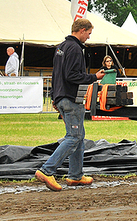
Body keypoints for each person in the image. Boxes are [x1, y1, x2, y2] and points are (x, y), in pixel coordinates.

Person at [35, 18, 105, 191]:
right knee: (73, 137)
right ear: (82, 30)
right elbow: (72, 76)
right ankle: (47, 170)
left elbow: (56, 74)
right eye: (88, 33)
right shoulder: (74, 49)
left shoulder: (61, 47)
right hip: (71, 98)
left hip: (61, 96)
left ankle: (75, 175)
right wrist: (93, 77)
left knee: (79, 136)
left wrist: (54, 96)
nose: (88, 37)